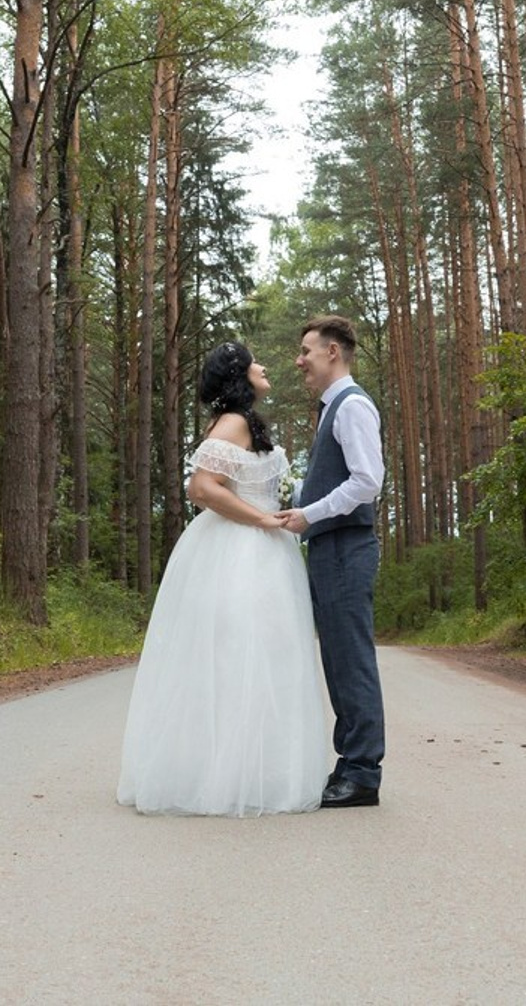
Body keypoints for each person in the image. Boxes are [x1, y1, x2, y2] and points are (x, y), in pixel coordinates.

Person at [117, 341, 327, 816]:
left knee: (261, 658)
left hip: (262, 551)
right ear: (238, 374)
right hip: (240, 553)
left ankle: (246, 768)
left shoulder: (243, 423)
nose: (264, 364)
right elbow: (201, 488)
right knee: (241, 655)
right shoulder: (232, 422)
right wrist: (261, 520)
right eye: (255, 361)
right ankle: (227, 776)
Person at [277, 314, 385, 808]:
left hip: (345, 546)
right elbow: (331, 481)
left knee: (351, 659)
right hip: (329, 546)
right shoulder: (330, 409)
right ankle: (350, 765)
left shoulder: (352, 405)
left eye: (307, 351)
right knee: (337, 661)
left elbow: (367, 482)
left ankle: (362, 772)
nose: (300, 360)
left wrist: (308, 514)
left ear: (333, 352)